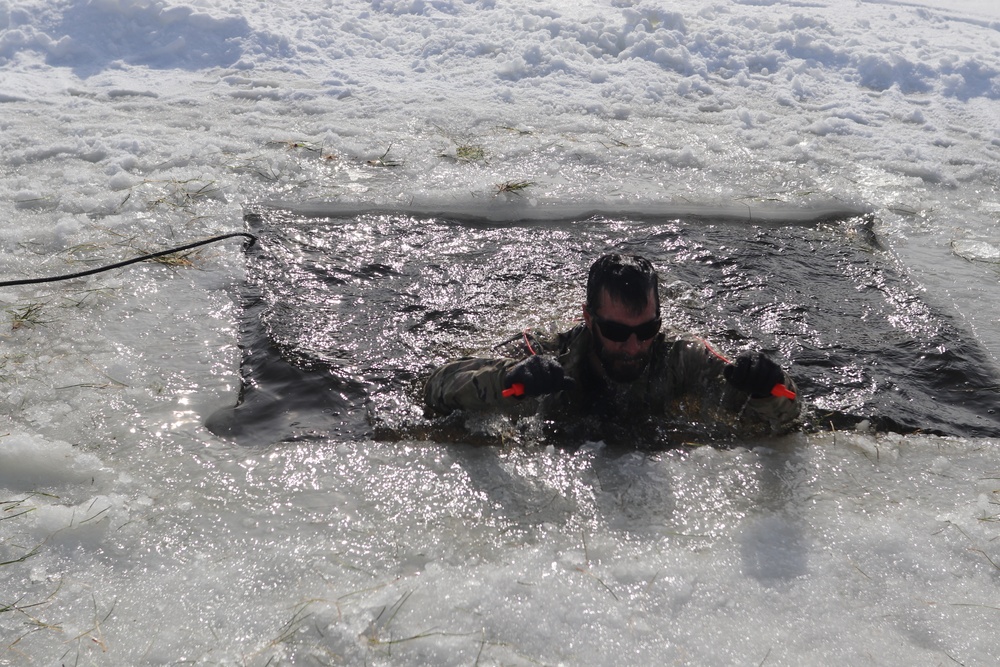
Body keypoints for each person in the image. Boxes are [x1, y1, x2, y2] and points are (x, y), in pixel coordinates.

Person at [423, 253, 800, 444]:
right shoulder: (546, 353)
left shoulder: (681, 356)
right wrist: (506, 379)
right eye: (617, 331)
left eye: (647, 329)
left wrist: (768, 385)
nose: (634, 346)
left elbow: (785, 415)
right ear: (589, 318)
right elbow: (437, 386)